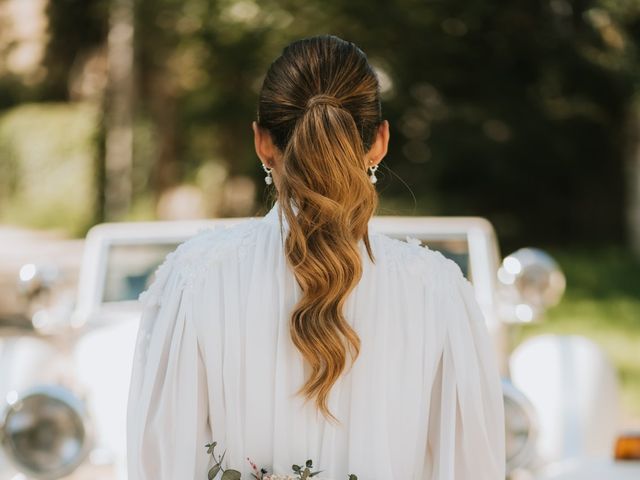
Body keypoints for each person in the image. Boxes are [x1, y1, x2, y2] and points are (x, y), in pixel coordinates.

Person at [126, 34, 505, 480]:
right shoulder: (441, 292)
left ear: (263, 142)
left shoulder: (193, 279)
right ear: (379, 142)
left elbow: (160, 464)